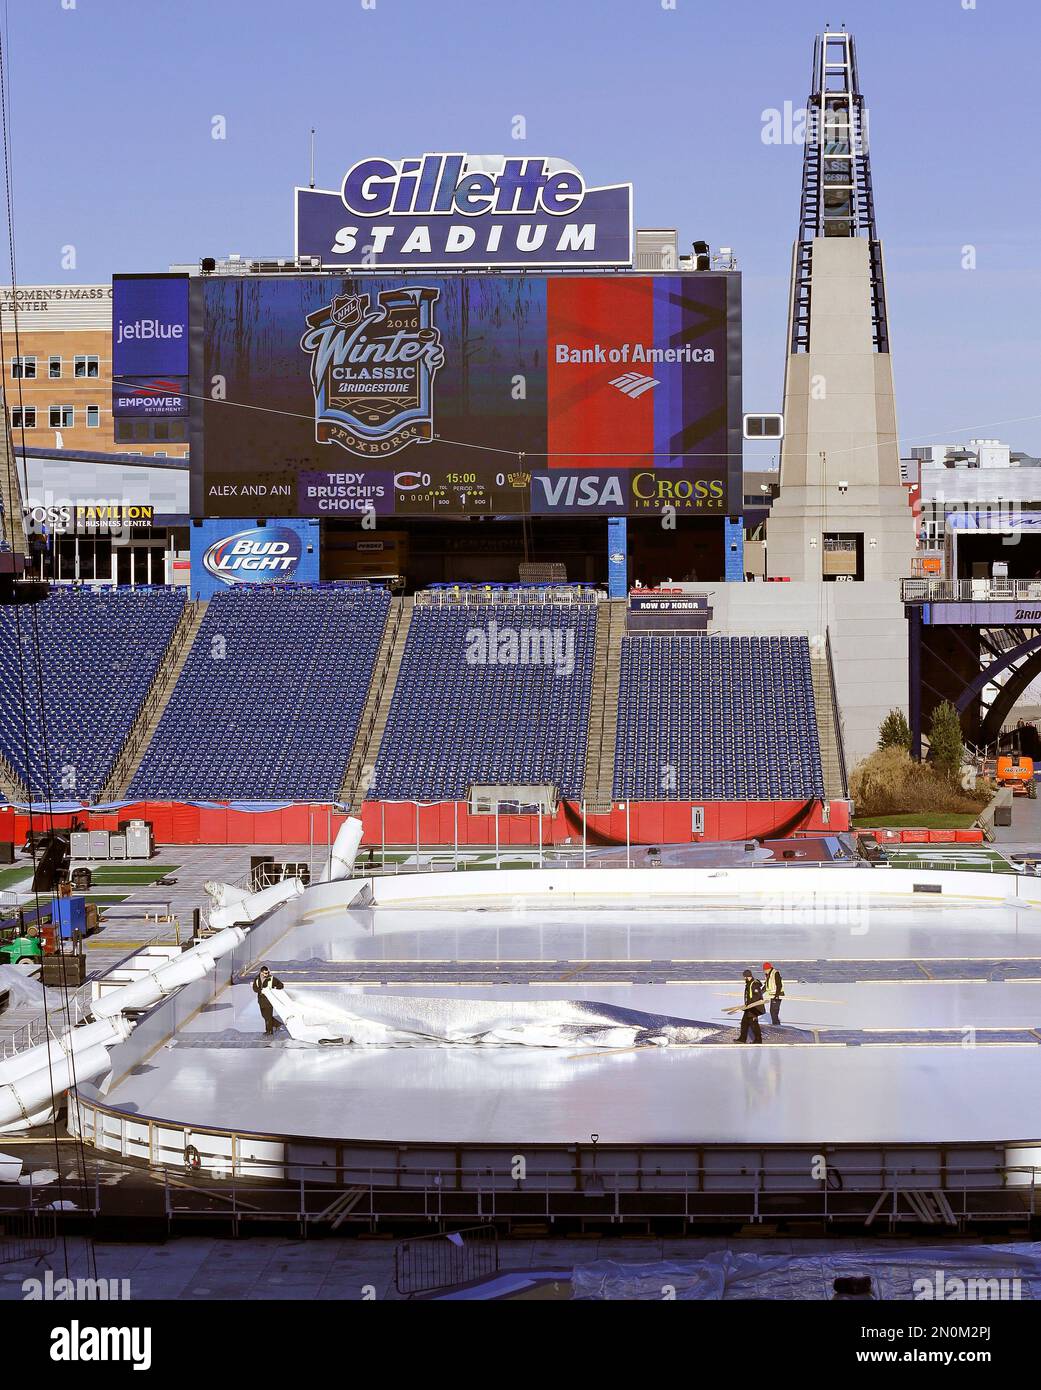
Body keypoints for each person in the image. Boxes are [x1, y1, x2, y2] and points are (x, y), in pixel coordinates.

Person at [252, 964, 285, 1035]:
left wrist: (273, 989)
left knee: (268, 1017)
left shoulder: (271, 978)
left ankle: (269, 1031)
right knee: (264, 1016)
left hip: (269, 1001)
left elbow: (281, 985)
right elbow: (254, 988)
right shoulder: (257, 979)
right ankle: (277, 1024)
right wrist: (260, 990)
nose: (267, 974)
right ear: (261, 972)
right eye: (265, 973)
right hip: (261, 1001)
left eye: (267, 972)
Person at [735, 969, 765, 1045]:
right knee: (744, 1022)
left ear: (746, 976)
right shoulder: (749, 983)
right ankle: (742, 1039)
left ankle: (758, 1040)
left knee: (753, 1024)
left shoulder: (754, 984)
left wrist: (753, 1008)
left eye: (744, 977)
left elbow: (757, 997)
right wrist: (747, 1005)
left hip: (754, 1007)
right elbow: (749, 996)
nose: (743, 978)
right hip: (749, 1007)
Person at [762, 961, 784, 1025]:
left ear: (767, 969)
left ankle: (777, 1026)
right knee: (773, 1012)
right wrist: (760, 993)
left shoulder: (775, 973)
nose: (764, 971)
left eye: (764, 970)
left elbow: (779, 985)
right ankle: (776, 1025)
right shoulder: (768, 975)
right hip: (772, 995)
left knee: (774, 1012)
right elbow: (766, 986)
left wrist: (777, 996)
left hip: (778, 995)